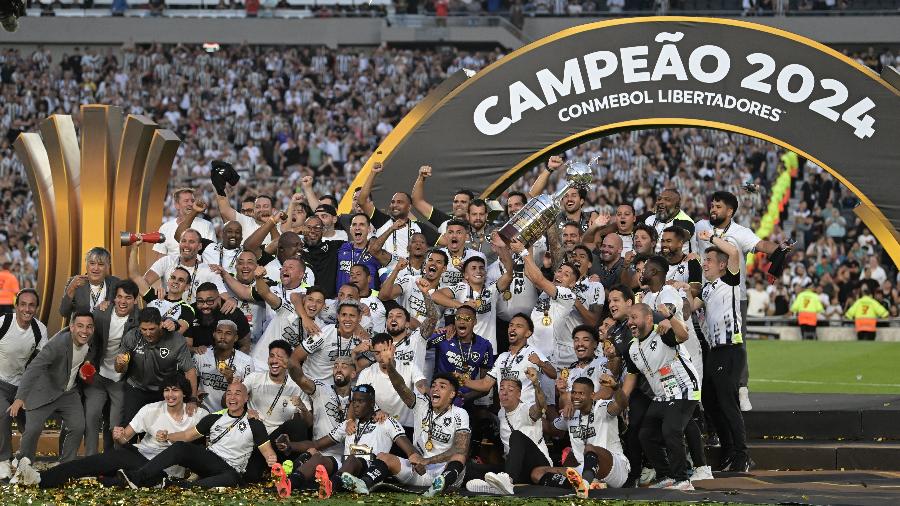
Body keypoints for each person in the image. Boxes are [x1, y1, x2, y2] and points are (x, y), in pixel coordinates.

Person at [695, 190, 792, 412]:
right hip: (706, 297)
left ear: (730, 211)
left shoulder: (741, 232)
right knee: (706, 344)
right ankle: (708, 391)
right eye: (712, 205)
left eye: (718, 206)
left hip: (735, 298)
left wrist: (779, 249)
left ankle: (742, 389)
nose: (713, 209)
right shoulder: (700, 227)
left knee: (737, 344)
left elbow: (762, 246)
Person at [39, 374, 209, 488]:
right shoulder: (151, 410)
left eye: (175, 390)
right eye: (167, 390)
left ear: (185, 393)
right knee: (91, 463)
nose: (170, 395)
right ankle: (41, 479)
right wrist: (118, 436)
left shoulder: (198, 415)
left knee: (112, 474)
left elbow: (202, 448)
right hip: (138, 456)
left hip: (165, 470)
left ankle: (116, 479)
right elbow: (124, 439)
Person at [119, 381, 277, 489]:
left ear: (246, 398)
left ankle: (173, 485)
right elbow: (187, 436)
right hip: (210, 461)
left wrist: (271, 458)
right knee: (181, 447)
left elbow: (268, 451)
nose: (232, 397)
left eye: (237, 394)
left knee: (232, 479)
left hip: (230, 470)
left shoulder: (254, 423)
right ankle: (137, 477)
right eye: (229, 393)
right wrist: (168, 436)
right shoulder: (214, 418)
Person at [343, 373, 469, 498]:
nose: (435, 388)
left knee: (460, 455)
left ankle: (439, 485)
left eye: (442, 387)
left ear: (452, 394)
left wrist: (427, 461)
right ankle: (363, 484)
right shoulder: (422, 405)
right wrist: (389, 365)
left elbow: (460, 448)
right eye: (433, 385)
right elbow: (400, 387)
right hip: (420, 470)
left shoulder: (460, 413)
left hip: (446, 472)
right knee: (384, 457)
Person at [688, 230, 751, 473]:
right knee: (711, 402)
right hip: (714, 351)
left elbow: (735, 251)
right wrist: (683, 290)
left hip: (730, 350)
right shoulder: (707, 289)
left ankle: (741, 454)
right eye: (704, 261)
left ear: (722, 266)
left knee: (728, 403)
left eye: (709, 261)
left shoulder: (730, 282)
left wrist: (710, 237)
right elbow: (690, 309)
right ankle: (728, 449)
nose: (705, 264)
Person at [8, 312, 95, 484]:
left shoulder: (89, 339)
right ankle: (23, 467)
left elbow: (81, 360)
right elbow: (34, 368)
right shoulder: (57, 344)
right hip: (43, 391)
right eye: (80, 326)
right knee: (32, 429)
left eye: (89, 326)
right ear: (71, 327)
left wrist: (84, 372)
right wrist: (19, 398)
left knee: (77, 426)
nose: (85, 330)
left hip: (68, 391)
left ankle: (66, 467)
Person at [621, 304, 699, 491]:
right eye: (629, 318)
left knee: (671, 430)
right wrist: (621, 402)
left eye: (634, 317)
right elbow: (631, 377)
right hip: (662, 396)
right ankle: (667, 476)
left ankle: (683, 480)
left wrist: (670, 317)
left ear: (648, 319)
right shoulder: (631, 348)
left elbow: (683, 336)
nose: (630, 322)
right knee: (646, 435)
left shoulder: (663, 331)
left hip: (684, 389)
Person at [534, 376, 630, 497]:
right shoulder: (570, 414)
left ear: (592, 395)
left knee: (590, 448)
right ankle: (590, 486)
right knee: (537, 473)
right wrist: (535, 414)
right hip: (585, 470)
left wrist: (616, 387)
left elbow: (622, 404)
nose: (576, 396)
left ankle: (583, 486)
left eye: (581, 393)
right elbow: (551, 429)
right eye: (574, 392)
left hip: (614, 468)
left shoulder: (602, 407)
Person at [465, 369, 550, 495]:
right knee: (471, 470)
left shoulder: (526, 409)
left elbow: (541, 407)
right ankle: (496, 487)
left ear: (519, 394)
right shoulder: (501, 413)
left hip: (538, 464)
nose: (504, 393)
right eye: (501, 389)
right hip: (515, 468)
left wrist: (536, 383)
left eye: (510, 390)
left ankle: (507, 481)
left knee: (516, 435)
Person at [82, 280, 140, 456]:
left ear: (135, 300)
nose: (123, 301)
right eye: (119, 297)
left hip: (120, 380)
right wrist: (86, 364)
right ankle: (90, 459)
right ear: (113, 298)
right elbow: (88, 342)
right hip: (98, 375)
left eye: (128, 298)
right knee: (91, 417)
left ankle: (114, 462)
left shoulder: (139, 320)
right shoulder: (100, 313)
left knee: (116, 424)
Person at [116, 307, 200, 424]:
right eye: (144, 329)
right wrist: (120, 364)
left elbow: (189, 371)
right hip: (136, 388)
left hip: (163, 392)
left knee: (158, 431)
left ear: (161, 324)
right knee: (128, 429)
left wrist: (192, 399)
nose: (148, 333)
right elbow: (120, 369)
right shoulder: (132, 336)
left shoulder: (176, 340)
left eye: (152, 329)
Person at [242, 340, 307, 482]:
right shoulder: (254, 378)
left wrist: (302, 407)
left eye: (280, 357)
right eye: (272, 356)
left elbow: (309, 423)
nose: (274, 360)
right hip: (257, 440)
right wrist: (245, 411)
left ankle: (292, 472)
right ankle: (269, 470)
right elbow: (232, 398)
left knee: (297, 425)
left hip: (279, 441)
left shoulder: (296, 385)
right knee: (250, 478)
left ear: (288, 361)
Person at [0, 289, 48, 479]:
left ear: (36, 308)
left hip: (23, 386)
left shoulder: (40, 329)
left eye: (31, 305)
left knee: (32, 422)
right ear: (16, 306)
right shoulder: (4, 323)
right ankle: (3, 459)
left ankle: (24, 460)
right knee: (3, 414)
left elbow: (43, 363)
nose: (27, 309)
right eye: (23, 304)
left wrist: (31, 393)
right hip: (0, 382)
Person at [287, 356, 357, 485]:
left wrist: (381, 412)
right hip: (319, 450)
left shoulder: (360, 397)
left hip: (347, 456)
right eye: (335, 366)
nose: (338, 369)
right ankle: (288, 479)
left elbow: (373, 412)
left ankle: (290, 479)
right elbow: (300, 379)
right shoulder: (321, 388)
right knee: (312, 458)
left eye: (344, 366)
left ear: (353, 374)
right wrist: (290, 363)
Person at [141, 230, 233, 306]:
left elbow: (224, 296)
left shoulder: (209, 271)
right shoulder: (167, 261)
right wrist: (155, 293)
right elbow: (143, 282)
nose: (186, 245)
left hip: (194, 318)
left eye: (191, 242)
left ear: (200, 246)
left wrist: (231, 300)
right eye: (183, 241)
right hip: (166, 313)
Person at [356, 334, 426, 428]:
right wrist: (376, 410)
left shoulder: (409, 366)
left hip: (407, 426)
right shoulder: (366, 373)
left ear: (393, 349)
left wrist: (427, 395)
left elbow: (422, 385)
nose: (382, 356)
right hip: (379, 424)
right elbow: (359, 397)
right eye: (377, 353)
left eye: (385, 351)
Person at [127, 239, 197, 334]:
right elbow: (134, 275)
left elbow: (181, 328)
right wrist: (134, 248)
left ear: (187, 287)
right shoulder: (154, 296)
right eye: (173, 278)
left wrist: (174, 325)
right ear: (168, 281)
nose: (175, 281)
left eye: (181, 280)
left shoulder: (187, 308)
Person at [194, 320, 263, 412]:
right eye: (219, 332)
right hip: (202, 410)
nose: (222, 337)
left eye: (228, 333)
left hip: (230, 414)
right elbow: (191, 381)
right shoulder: (201, 356)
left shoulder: (246, 362)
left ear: (235, 338)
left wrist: (231, 380)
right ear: (214, 334)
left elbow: (249, 393)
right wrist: (194, 395)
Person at [152, 187, 217, 261]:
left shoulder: (207, 226)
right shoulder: (165, 228)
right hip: (172, 271)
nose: (190, 204)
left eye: (192, 201)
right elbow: (160, 258)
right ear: (177, 205)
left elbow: (212, 255)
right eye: (186, 201)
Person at [184, 282, 251, 351]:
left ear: (219, 299)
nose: (205, 306)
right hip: (199, 357)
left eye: (210, 301)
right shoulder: (190, 312)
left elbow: (245, 346)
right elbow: (187, 346)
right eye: (200, 301)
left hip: (229, 358)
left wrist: (234, 361)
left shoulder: (234, 313)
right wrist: (196, 350)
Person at [59, 247, 120, 318]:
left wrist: (111, 305)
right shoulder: (74, 283)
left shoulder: (116, 283)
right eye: (92, 263)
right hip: (82, 328)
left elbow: (124, 307)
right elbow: (64, 313)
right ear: (86, 265)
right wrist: (71, 289)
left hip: (106, 328)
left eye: (101, 264)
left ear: (108, 266)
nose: (96, 268)